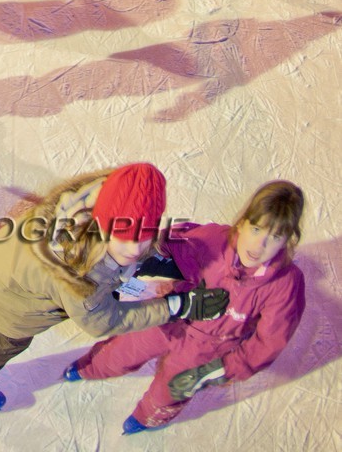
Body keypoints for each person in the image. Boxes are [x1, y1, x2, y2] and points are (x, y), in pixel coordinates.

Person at [0, 163, 230, 411]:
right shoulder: (77, 275)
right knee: (7, 343)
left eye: (143, 236)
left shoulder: (94, 200)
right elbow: (103, 320)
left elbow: (135, 243)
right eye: (123, 236)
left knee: (127, 261)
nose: (133, 249)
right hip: (9, 299)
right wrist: (178, 306)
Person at [69, 180, 305, 434]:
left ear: (288, 240)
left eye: (275, 237)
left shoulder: (285, 284)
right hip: (173, 312)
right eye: (256, 229)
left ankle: (149, 417)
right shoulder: (215, 240)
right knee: (123, 349)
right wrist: (144, 256)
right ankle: (91, 367)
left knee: (170, 391)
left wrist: (219, 369)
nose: (259, 246)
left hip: (207, 348)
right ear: (243, 222)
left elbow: (268, 343)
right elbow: (171, 241)